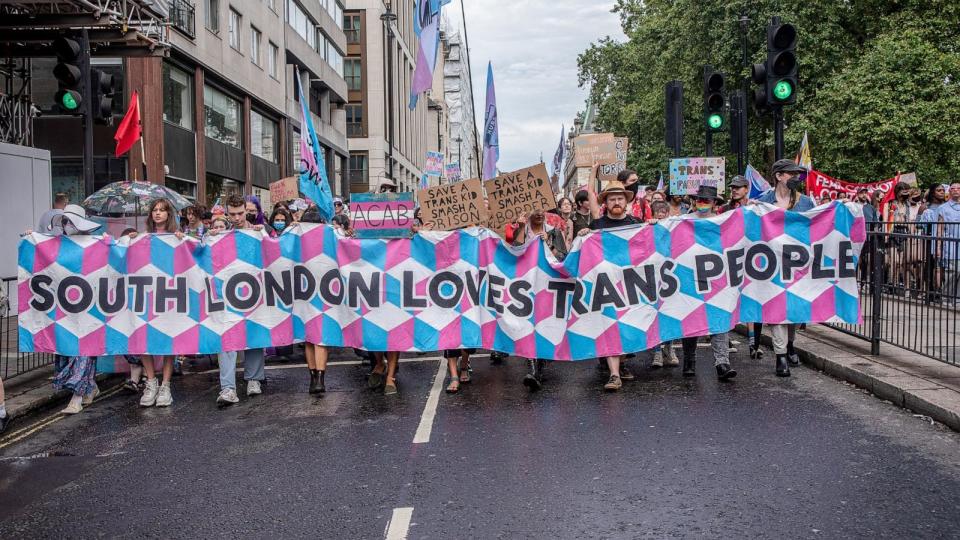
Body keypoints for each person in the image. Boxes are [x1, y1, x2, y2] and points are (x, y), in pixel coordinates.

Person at [578, 179, 643, 391]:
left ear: (626, 201)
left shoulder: (636, 223)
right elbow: (584, 252)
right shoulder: (598, 225)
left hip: (631, 285)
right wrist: (583, 235)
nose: (616, 202)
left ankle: (621, 364)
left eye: (620, 198)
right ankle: (614, 375)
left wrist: (652, 228)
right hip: (606, 286)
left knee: (628, 328)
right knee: (611, 327)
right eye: (612, 199)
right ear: (606, 202)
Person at [756, 159, 815, 376]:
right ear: (779, 176)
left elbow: (818, 227)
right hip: (772, 266)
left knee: (796, 310)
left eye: (798, 174)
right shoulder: (762, 202)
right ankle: (781, 356)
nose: (796, 178)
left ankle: (790, 343)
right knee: (777, 309)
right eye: (792, 174)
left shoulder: (806, 203)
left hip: (799, 265)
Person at [208, 195, 268, 405]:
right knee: (227, 338)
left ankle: (253, 379)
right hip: (228, 294)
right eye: (232, 214)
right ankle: (228, 388)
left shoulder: (259, 232)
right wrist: (210, 238)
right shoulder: (221, 235)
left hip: (254, 291)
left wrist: (266, 235)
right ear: (226, 213)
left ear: (247, 211)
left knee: (254, 334)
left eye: (240, 213)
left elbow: (275, 253)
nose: (236, 218)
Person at [126, 199, 184, 406]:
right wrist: (132, 240)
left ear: (169, 214)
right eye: (154, 210)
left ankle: (166, 385)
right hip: (146, 295)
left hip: (169, 294)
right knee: (144, 338)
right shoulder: (143, 238)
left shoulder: (177, 237)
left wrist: (183, 240)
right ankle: (151, 381)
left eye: (162, 210)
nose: (158, 213)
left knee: (169, 339)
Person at [680, 185, 737, 381]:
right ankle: (689, 361)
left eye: (706, 200)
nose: (702, 203)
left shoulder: (723, 222)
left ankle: (722, 363)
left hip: (717, 278)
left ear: (714, 203)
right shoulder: (683, 221)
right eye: (699, 200)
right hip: (689, 276)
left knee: (718, 318)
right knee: (691, 319)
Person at [513, 208, 569, 390]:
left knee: (544, 323)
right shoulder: (522, 228)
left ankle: (540, 366)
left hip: (547, 284)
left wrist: (549, 245)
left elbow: (562, 257)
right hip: (526, 284)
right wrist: (521, 228)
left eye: (541, 210)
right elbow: (514, 251)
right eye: (533, 210)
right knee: (527, 323)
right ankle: (532, 370)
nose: (538, 213)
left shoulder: (553, 231)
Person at [936, 183, 960, 303]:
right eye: (953, 188)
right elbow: (939, 229)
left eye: (958, 188)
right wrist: (938, 247)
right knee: (953, 272)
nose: (956, 190)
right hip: (950, 246)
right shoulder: (943, 208)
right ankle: (946, 297)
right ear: (949, 191)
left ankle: (957, 298)